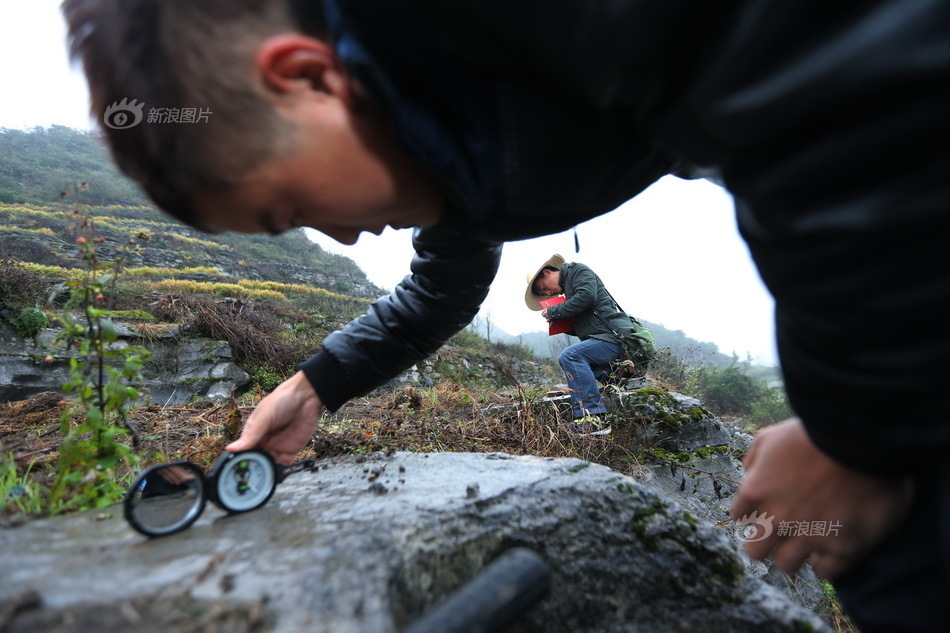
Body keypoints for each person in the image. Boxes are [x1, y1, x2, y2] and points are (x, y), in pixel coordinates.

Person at [61, 1, 949, 630]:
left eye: (289, 206)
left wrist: (849, 437)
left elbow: (852, 82)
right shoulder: (431, 131)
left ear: (306, 78)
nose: (332, 232)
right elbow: (441, 288)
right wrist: (317, 383)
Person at [525, 254, 635, 435]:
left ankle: (594, 419)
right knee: (580, 368)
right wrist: (561, 321)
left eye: (543, 289)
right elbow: (584, 326)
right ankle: (618, 377)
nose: (547, 294)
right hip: (605, 339)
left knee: (571, 356)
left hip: (615, 338)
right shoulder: (570, 291)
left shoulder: (577, 271)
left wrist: (555, 310)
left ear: (547, 273)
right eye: (543, 294)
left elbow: (588, 296)